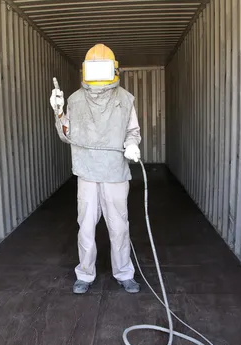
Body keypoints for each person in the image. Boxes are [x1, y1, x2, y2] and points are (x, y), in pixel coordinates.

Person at [50, 44, 142, 295]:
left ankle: (124, 273)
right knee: (87, 226)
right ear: (85, 71)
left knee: (119, 226)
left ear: (114, 70)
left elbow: (132, 131)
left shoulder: (125, 99)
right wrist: (59, 113)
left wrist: (132, 144)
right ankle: (85, 274)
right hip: (88, 172)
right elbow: (68, 136)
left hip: (115, 173)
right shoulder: (75, 100)